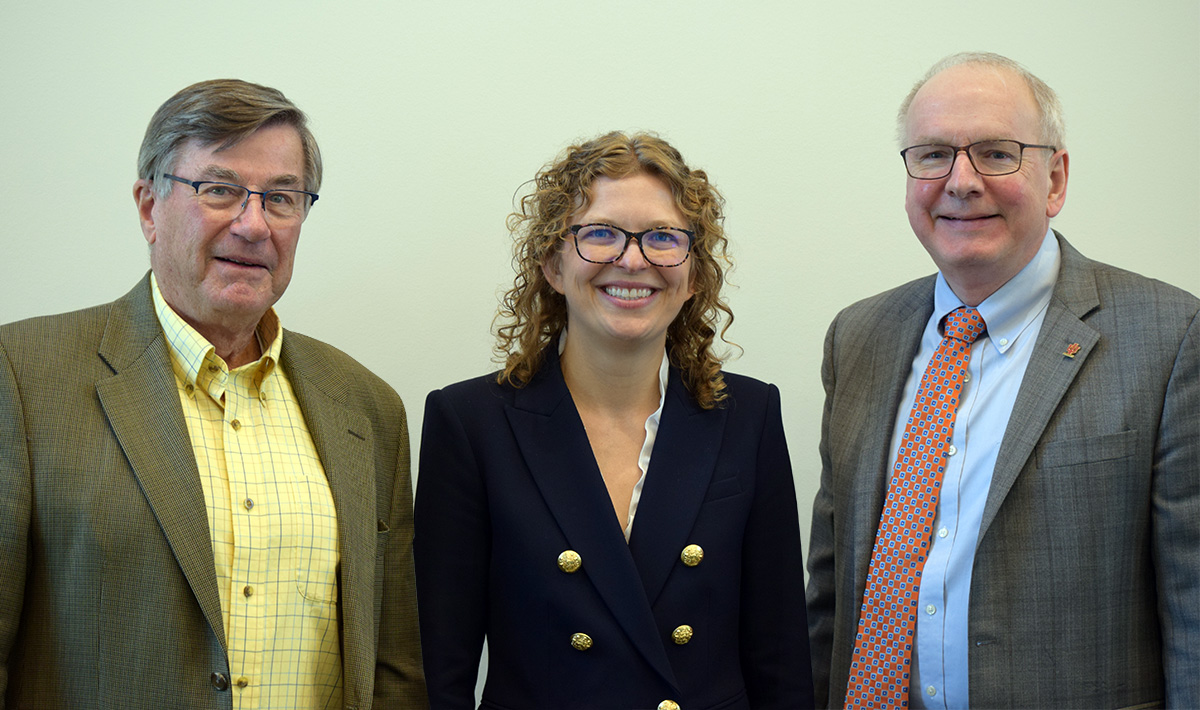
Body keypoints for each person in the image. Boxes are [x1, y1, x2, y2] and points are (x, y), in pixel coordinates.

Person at [0, 79, 427, 708]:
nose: (254, 226)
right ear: (149, 206)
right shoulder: (24, 379)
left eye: (281, 198)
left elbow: (393, 669)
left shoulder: (366, 406)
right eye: (219, 190)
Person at [805, 51, 1198, 709]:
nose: (960, 181)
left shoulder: (1170, 338)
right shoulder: (858, 337)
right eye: (932, 154)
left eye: (996, 153)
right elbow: (831, 587)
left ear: (1056, 178)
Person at [414, 131, 814, 710]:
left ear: (694, 274)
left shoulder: (748, 416)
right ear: (552, 262)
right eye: (599, 234)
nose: (633, 259)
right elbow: (441, 668)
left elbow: (779, 654)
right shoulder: (468, 423)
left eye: (663, 237)